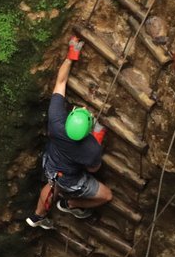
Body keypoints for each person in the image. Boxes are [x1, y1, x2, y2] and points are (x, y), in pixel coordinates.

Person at [26, 37, 113, 229]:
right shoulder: (91, 149)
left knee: (52, 183)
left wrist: (70, 57)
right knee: (107, 196)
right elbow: (93, 169)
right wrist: (96, 139)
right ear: (88, 129)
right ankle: (69, 204)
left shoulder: (57, 121)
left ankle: (38, 216)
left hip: (50, 165)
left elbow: (61, 82)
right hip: (71, 179)